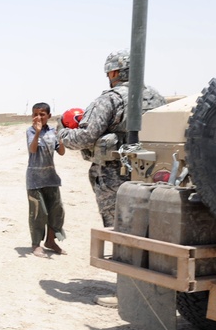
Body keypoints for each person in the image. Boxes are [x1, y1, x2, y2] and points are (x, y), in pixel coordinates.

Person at [57, 49, 166, 227]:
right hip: (154, 172)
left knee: (119, 225)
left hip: (116, 176)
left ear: (114, 72)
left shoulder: (110, 99)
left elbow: (85, 137)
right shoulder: (158, 98)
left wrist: (62, 133)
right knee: (151, 225)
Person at [27, 103, 66, 258]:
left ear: (49, 116)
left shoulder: (53, 132)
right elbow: (33, 149)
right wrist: (37, 133)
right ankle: (36, 244)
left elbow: (61, 152)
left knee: (57, 211)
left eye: (42, 114)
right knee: (38, 212)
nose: (38, 117)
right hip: (34, 178)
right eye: (35, 114)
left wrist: (62, 139)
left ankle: (51, 241)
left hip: (51, 177)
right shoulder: (30, 131)